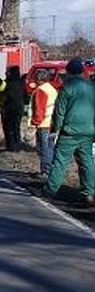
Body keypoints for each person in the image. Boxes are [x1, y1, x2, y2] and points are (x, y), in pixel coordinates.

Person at [43, 58, 95, 204]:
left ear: (69, 71)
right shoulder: (92, 87)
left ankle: (50, 190)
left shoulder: (67, 86)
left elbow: (59, 112)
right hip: (88, 131)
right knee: (87, 162)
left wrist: (54, 130)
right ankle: (89, 193)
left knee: (60, 162)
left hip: (70, 131)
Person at [28, 68, 57, 177]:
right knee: (50, 148)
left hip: (43, 124)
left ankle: (45, 171)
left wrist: (34, 124)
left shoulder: (40, 90)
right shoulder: (51, 89)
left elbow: (39, 109)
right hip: (52, 123)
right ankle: (50, 170)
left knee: (43, 148)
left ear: (39, 79)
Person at [0, 65, 26, 151]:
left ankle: (10, 146)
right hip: (19, 108)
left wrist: (2, 104)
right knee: (16, 128)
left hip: (8, 109)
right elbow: (25, 96)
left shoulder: (7, 83)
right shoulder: (21, 83)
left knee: (8, 128)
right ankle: (17, 146)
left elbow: (3, 97)